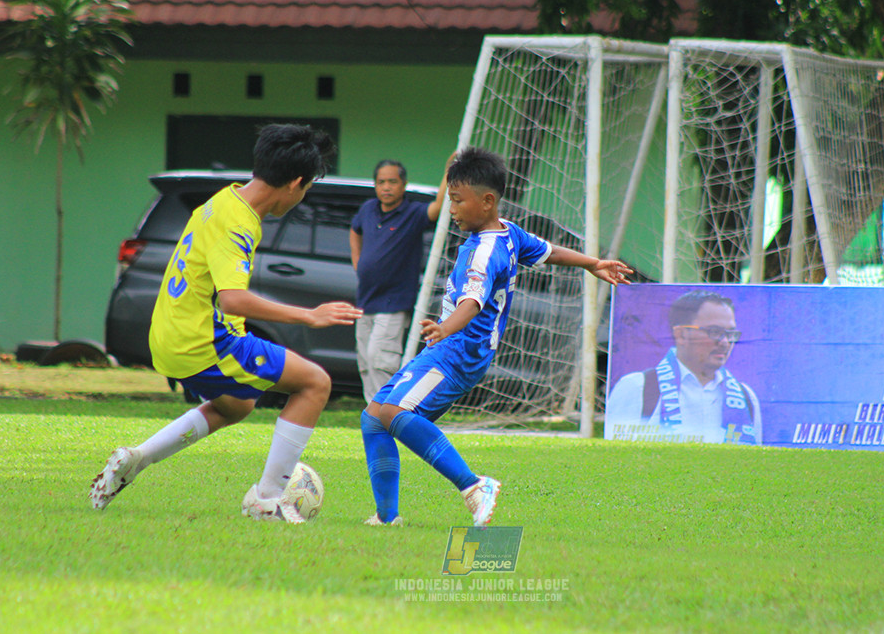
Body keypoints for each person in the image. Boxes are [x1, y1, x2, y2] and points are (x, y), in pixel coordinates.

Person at [89, 123, 363, 523]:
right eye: (306, 189)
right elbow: (232, 298)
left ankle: (136, 458)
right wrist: (309, 314)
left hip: (171, 334)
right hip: (202, 341)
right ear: (295, 183)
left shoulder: (224, 199)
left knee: (237, 404)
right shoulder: (238, 221)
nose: (303, 198)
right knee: (315, 383)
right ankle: (266, 500)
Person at [360, 146, 633, 527]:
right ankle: (387, 517)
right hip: (461, 350)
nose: (451, 209)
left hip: (457, 350)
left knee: (393, 412)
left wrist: (444, 328)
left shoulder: (484, 252)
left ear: (487, 201)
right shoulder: (509, 234)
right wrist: (592, 263)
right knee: (373, 418)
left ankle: (474, 487)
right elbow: (549, 251)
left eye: (457, 200)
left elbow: (472, 302)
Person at [349, 157, 447, 403]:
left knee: (380, 359)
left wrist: (449, 170)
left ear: (403, 185)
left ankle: (387, 409)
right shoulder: (368, 209)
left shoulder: (412, 213)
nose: (386, 187)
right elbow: (355, 229)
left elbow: (436, 208)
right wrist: (358, 261)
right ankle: (373, 410)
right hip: (366, 300)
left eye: (392, 182)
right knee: (364, 361)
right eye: (381, 182)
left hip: (394, 302)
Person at [606, 289, 761, 444]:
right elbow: (616, 458)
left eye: (730, 333)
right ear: (681, 334)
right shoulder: (638, 388)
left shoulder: (745, 397)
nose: (725, 342)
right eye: (714, 331)